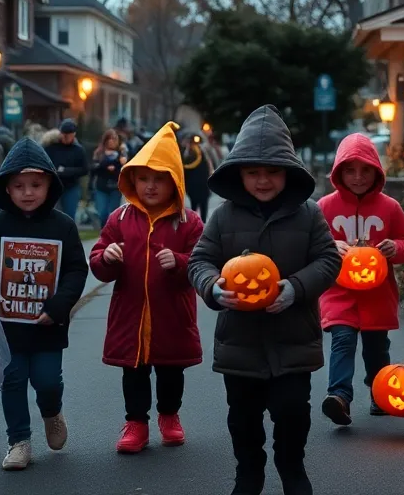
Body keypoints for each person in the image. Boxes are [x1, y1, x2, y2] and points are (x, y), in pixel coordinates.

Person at [187, 105, 341, 495]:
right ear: (239, 173)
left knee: (293, 412)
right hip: (240, 341)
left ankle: (292, 467)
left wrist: (295, 287)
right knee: (243, 417)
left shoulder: (309, 215)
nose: (262, 180)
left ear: (286, 173)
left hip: (294, 337)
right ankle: (249, 471)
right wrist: (212, 288)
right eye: (253, 172)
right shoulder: (223, 217)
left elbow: (328, 260)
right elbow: (200, 260)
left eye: (272, 171)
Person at [0, 137, 90, 471]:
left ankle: (51, 412)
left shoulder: (63, 226)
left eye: (36, 184)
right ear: (6, 188)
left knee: (47, 380)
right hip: (8, 328)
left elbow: (77, 270)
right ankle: (18, 441)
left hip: (48, 324)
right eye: (19, 185)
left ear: (50, 184)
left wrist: (59, 306)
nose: (28, 192)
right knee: (14, 381)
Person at [89, 122, 204, 453]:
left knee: (171, 370)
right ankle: (136, 423)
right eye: (143, 179)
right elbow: (98, 259)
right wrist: (106, 257)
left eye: (159, 179)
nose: (151, 186)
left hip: (172, 314)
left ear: (174, 182)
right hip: (131, 314)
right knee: (134, 372)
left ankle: (170, 415)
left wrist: (181, 262)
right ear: (132, 181)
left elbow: (201, 262)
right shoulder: (120, 219)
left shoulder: (189, 222)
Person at [317, 133, 404, 425]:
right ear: (338, 172)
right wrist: (329, 246)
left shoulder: (389, 207)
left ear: (376, 171)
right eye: (350, 170)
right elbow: (312, 245)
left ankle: (379, 391)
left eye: (365, 170)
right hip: (338, 291)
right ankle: (339, 397)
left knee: (376, 346)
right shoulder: (324, 207)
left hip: (377, 293)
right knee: (343, 340)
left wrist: (394, 247)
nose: (358, 177)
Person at [44, 119, 87, 221]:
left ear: (74, 134)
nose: (66, 137)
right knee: (52, 215)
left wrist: (66, 171)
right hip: (54, 186)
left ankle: (67, 235)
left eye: (69, 134)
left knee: (69, 216)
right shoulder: (51, 148)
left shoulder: (78, 150)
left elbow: (84, 169)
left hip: (71, 187)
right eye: (64, 134)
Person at [91, 129, 128, 229]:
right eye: (109, 138)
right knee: (102, 213)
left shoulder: (121, 153)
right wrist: (106, 166)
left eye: (114, 139)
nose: (112, 141)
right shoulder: (99, 153)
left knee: (113, 214)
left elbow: (124, 168)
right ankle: (104, 232)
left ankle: (111, 234)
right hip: (101, 187)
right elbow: (94, 168)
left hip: (115, 187)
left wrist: (118, 164)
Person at [180, 132, 214, 222]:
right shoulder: (185, 153)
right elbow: (184, 167)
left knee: (204, 205)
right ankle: (194, 223)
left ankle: (203, 223)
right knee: (194, 205)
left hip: (203, 184)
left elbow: (211, 164)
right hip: (192, 185)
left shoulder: (205, 151)